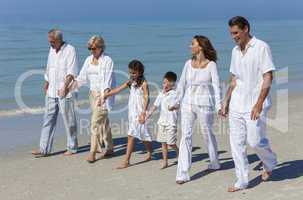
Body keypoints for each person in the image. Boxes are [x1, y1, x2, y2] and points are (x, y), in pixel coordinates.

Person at [219, 16, 277, 192]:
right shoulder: (235, 51)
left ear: (246, 29)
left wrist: (259, 104)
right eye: (231, 33)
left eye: (236, 32)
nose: (233, 36)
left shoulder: (261, 47)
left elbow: (268, 76)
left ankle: (270, 161)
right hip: (237, 103)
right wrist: (226, 101)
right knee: (236, 143)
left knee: (255, 141)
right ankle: (242, 180)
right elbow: (234, 78)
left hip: (254, 103)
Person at [170, 35, 222, 184]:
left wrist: (219, 106)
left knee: (207, 133)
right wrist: (176, 101)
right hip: (188, 104)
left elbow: (217, 87)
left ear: (200, 46)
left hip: (205, 104)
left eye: (192, 44)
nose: (189, 46)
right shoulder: (188, 63)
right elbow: (181, 85)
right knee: (185, 136)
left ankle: (214, 162)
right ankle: (183, 173)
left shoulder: (211, 65)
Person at [31, 28, 78, 157]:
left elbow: (71, 72)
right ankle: (44, 149)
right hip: (51, 91)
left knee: (69, 120)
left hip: (66, 91)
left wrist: (65, 87)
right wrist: (46, 82)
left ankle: (72, 147)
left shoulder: (70, 50)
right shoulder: (51, 50)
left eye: (52, 41)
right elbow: (49, 67)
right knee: (48, 119)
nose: (50, 43)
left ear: (59, 40)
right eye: (49, 41)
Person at [71, 35, 115, 163]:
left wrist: (104, 97)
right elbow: (82, 77)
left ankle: (93, 152)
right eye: (89, 48)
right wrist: (70, 87)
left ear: (101, 47)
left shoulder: (108, 60)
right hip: (92, 95)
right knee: (103, 121)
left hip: (103, 95)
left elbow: (108, 80)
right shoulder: (88, 60)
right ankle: (110, 147)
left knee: (95, 123)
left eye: (94, 48)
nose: (91, 50)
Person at [102, 59, 153, 169]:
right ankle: (150, 152)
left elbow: (147, 97)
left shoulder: (144, 83)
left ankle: (126, 161)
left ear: (140, 72)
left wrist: (144, 113)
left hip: (140, 112)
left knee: (131, 136)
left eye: (134, 73)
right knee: (143, 135)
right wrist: (107, 95)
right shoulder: (131, 82)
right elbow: (118, 89)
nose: (131, 74)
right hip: (132, 112)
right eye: (130, 72)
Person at [146, 71, 179, 169]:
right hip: (162, 122)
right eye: (163, 82)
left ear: (172, 83)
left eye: (166, 83)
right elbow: (155, 106)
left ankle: (179, 153)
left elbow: (179, 105)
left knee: (171, 143)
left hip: (171, 122)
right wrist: (147, 116)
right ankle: (165, 162)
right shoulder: (161, 94)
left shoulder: (175, 94)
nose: (164, 85)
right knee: (163, 143)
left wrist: (174, 107)